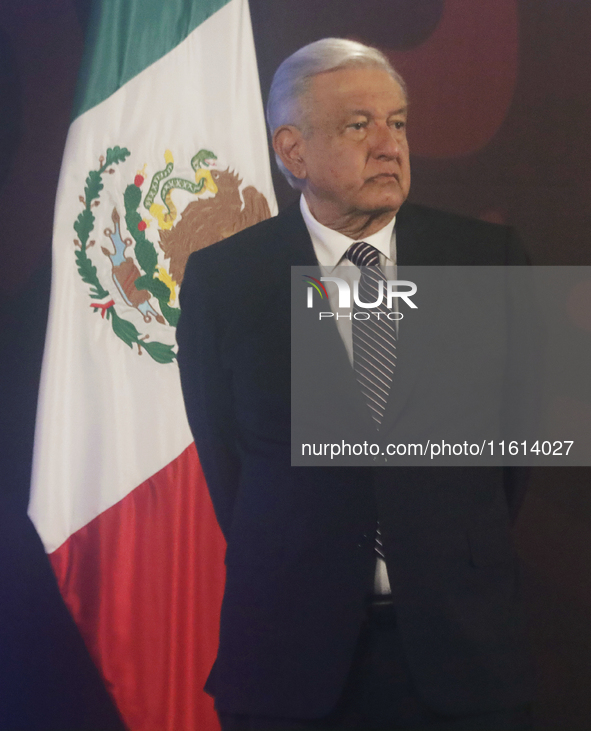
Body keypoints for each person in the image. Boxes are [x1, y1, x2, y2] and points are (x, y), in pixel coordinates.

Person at [176, 38, 533, 731]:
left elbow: (511, 461)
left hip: (464, 658)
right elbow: (227, 462)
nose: (387, 145)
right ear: (292, 152)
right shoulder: (227, 279)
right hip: (288, 660)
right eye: (356, 124)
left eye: (396, 123)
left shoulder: (487, 261)